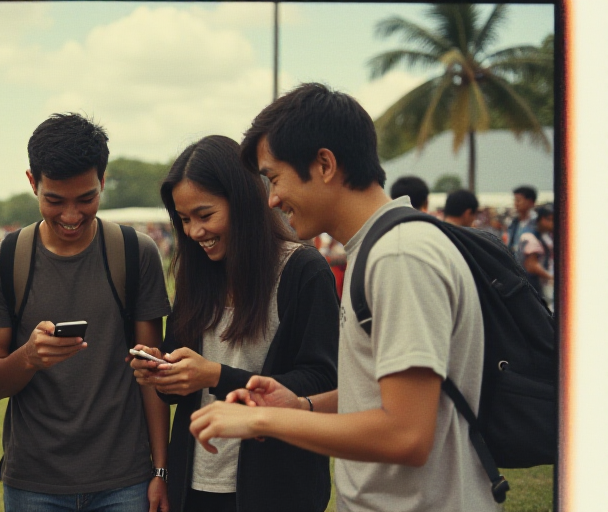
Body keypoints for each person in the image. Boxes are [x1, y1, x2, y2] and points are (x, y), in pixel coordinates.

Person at [189, 83, 498, 512]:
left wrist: (262, 418)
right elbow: (379, 397)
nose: (273, 198)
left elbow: (407, 434)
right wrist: (302, 404)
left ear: (325, 164)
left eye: (274, 178)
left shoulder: (399, 256)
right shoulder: (379, 250)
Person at [0, 113, 172, 512]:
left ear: (102, 180)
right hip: (35, 483)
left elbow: (152, 373)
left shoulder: (136, 253)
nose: (70, 215)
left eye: (86, 199)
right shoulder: (2, 261)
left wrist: (161, 471)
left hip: (125, 481)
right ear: (33, 182)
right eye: (54, 200)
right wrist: (28, 357)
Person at [130, 135, 338, 512]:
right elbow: (182, 393)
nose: (195, 232)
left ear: (242, 202)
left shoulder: (302, 271)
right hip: (194, 486)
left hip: (277, 490)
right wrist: (163, 373)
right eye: (184, 220)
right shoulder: (196, 273)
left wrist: (215, 375)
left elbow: (323, 380)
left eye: (205, 215)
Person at [517, 204, 554, 303]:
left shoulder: (542, 232)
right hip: (530, 286)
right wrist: (551, 277)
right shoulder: (530, 235)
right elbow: (531, 265)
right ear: (543, 219)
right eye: (552, 220)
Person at [506, 185, 537, 251]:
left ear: (530, 202)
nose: (516, 204)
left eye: (518, 200)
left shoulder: (537, 222)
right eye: (515, 200)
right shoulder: (513, 222)